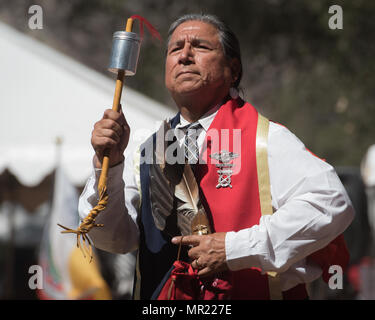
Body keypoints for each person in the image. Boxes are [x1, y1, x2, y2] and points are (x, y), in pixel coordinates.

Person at [78, 13, 354, 300]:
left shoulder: (266, 139)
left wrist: (235, 249)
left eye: (200, 47)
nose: (184, 55)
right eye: (175, 49)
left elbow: (331, 203)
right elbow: (112, 238)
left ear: (233, 70)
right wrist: (107, 166)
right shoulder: (146, 150)